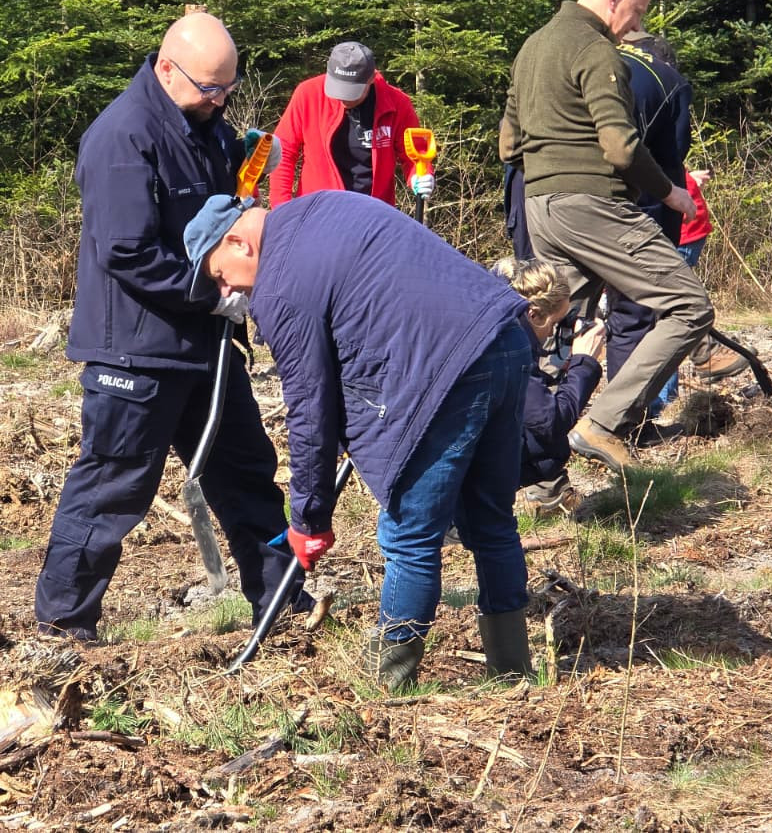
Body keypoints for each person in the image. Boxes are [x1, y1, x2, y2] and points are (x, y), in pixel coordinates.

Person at [186, 189, 533, 689]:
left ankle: (389, 684)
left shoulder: (279, 285)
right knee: (492, 522)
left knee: (410, 537)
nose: (225, 292)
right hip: (504, 338)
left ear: (239, 242)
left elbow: (310, 408)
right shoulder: (324, 205)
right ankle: (512, 675)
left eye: (218, 276)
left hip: (446, 370)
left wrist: (308, 519)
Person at [33, 13, 307, 641]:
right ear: (165, 68)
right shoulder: (122, 138)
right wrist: (211, 295)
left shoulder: (210, 128)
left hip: (206, 348)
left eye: (227, 88)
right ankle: (63, 623)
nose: (219, 100)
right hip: (137, 350)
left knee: (245, 472)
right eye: (208, 88)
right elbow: (126, 250)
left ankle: (283, 605)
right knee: (113, 487)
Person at [499, 0, 713, 472]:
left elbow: (509, 143)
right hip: (592, 206)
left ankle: (534, 476)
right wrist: (671, 193)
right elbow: (620, 147)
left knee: (536, 324)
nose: (634, 24)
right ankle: (607, 422)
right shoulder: (596, 51)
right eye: (636, 11)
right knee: (689, 306)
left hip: (540, 206)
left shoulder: (532, 46)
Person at [601, 30, 745, 438]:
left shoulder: (612, 79)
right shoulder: (662, 84)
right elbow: (664, 154)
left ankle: (657, 399)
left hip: (640, 219)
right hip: (649, 215)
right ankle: (648, 407)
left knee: (643, 312)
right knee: (653, 311)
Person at [492, 258, 605, 518]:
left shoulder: (494, 315)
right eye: (555, 323)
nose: (554, 331)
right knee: (549, 444)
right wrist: (583, 364)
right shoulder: (508, 346)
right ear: (532, 313)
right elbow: (549, 422)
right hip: (454, 458)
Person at [268, 42, 427, 210]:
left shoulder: (396, 103)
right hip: (318, 213)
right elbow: (283, 151)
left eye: (351, 92)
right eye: (338, 89)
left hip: (374, 214)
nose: (343, 98)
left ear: (371, 78)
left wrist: (419, 175)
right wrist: (282, 208)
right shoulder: (308, 94)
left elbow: (414, 153)